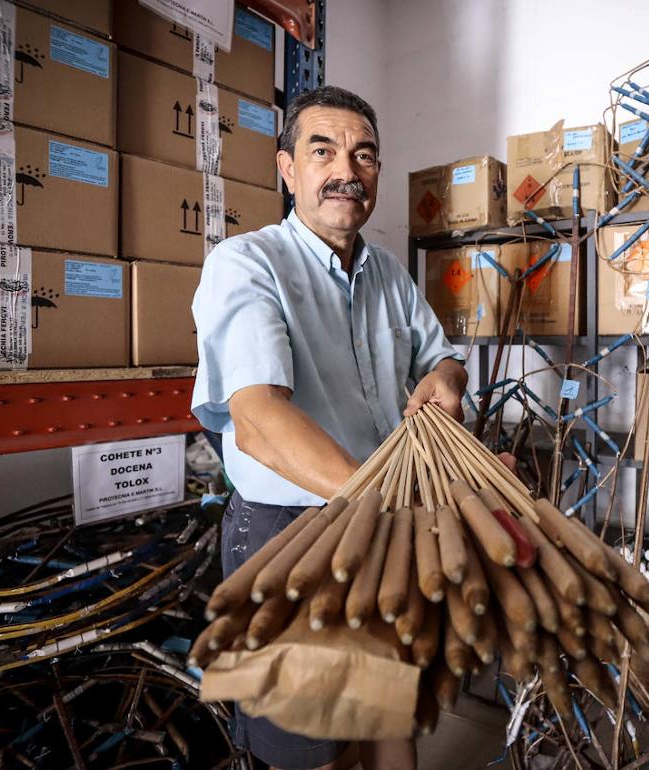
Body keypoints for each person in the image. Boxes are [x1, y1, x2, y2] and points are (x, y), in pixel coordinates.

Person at [190, 86, 467, 770]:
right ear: (288, 169)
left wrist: (448, 381)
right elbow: (257, 422)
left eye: (363, 155)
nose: (347, 169)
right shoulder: (247, 264)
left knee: (387, 709)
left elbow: (442, 358)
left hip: (380, 524)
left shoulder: (392, 279)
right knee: (310, 749)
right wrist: (388, 505)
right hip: (291, 535)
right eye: (323, 151)